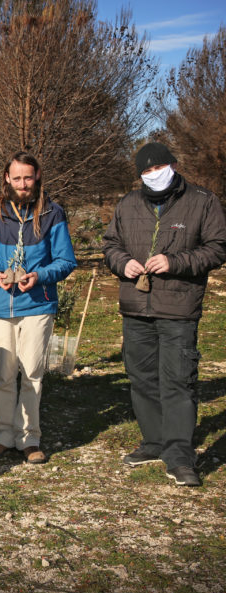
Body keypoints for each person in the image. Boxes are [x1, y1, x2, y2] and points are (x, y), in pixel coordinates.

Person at [103, 142, 226, 487]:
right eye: (146, 171)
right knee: (142, 378)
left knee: (178, 382)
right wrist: (122, 262)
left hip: (179, 308)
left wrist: (176, 262)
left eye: (159, 168)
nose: (153, 174)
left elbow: (218, 247)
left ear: (173, 165)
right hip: (135, 308)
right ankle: (153, 441)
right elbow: (110, 244)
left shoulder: (203, 201)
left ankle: (180, 455)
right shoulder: (127, 204)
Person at [0, 151, 76, 464]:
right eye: (16, 177)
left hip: (38, 304)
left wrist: (40, 275)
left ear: (37, 178)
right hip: (1, 305)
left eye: (28, 177)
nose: (22, 184)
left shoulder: (52, 213)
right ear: (7, 178)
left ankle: (29, 438)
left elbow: (66, 260)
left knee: (32, 373)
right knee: (4, 376)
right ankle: (3, 435)